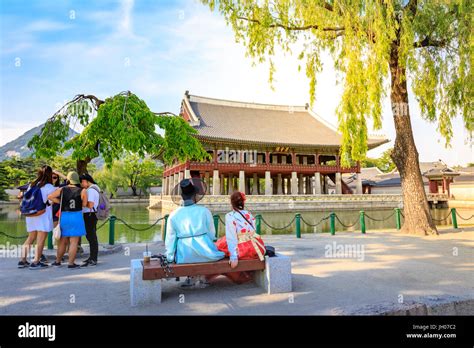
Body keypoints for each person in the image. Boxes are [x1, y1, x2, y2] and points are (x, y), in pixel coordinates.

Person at [165, 179, 224, 286]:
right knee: (215, 251)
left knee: (187, 254)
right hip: (206, 253)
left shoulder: (173, 215)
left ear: (182, 196)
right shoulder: (204, 211)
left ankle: (191, 277)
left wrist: (169, 257)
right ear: (194, 196)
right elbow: (211, 234)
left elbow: (170, 239)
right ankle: (201, 277)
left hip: (184, 255)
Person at [214, 191, 266, 284]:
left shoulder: (230, 216)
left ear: (231, 203)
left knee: (219, 246)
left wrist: (234, 257)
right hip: (255, 247)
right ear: (243, 202)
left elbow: (231, 237)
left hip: (243, 249)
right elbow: (253, 229)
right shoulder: (249, 214)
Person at [18, 165, 58, 269]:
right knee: (40, 240)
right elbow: (51, 201)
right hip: (42, 215)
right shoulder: (50, 187)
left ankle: (22, 260)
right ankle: (36, 261)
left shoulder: (32, 185)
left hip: (31, 214)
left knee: (30, 238)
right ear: (49, 175)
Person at [48, 172, 87, 269]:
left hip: (64, 216)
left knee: (62, 241)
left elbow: (50, 197)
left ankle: (57, 262)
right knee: (74, 242)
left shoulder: (62, 189)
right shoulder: (82, 191)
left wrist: (60, 201)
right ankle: (71, 263)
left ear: (68, 180)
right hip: (77, 216)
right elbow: (85, 204)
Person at [79, 173, 100, 267]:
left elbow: (90, 205)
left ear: (86, 181)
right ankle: (91, 257)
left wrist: (83, 203)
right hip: (90, 215)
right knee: (90, 237)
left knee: (92, 237)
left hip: (90, 215)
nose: (81, 184)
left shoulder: (91, 191)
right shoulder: (93, 189)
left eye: (82, 182)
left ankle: (93, 259)